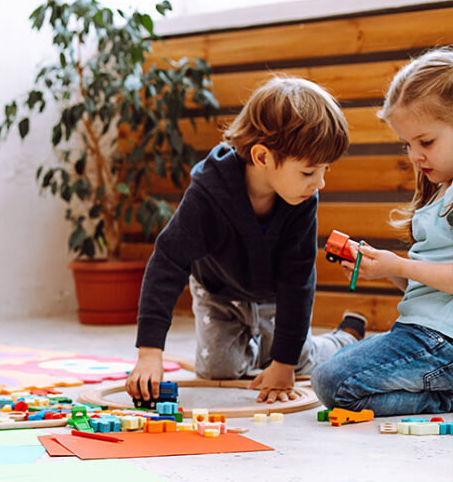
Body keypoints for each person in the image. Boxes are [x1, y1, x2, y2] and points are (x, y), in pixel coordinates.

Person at [125, 76, 363, 405]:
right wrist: (149, 352)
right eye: (309, 172)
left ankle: (342, 339)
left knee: (298, 358)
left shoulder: (302, 199)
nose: (319, 183)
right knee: (217, 370)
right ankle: (258, 349)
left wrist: (284, 364)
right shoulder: (208, 193)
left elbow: (298, 280)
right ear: (262, 157)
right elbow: (168, 261)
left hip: (272, 296)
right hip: (218, 292)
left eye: (325, 170)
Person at [311, 48, 453, 416]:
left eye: (426, 142)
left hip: (442, 340)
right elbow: (427, 287)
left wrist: (401, 265)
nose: (415, 156)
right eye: (407, 145)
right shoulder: (437, 190)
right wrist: (385, 268)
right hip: (423, 331)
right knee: (331, 380)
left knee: (332, 382)